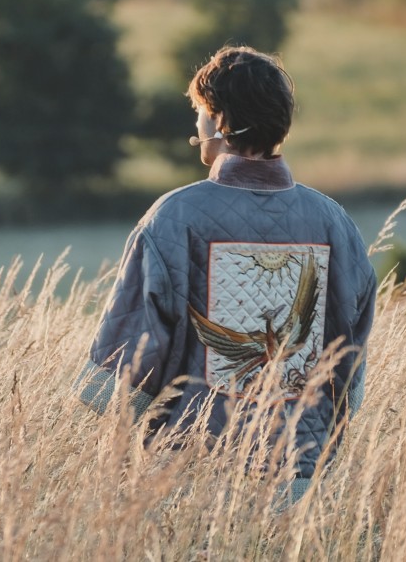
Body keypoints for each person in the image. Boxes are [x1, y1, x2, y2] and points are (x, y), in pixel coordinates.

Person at [76, 45, 376, 503]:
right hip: (301, 470)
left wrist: (108, 406)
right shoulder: (334, 221)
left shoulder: (175, 216)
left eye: (198, 112)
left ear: (218, 121)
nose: (196, 125)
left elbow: (135, 349)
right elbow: (350, 352)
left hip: (192, 469)